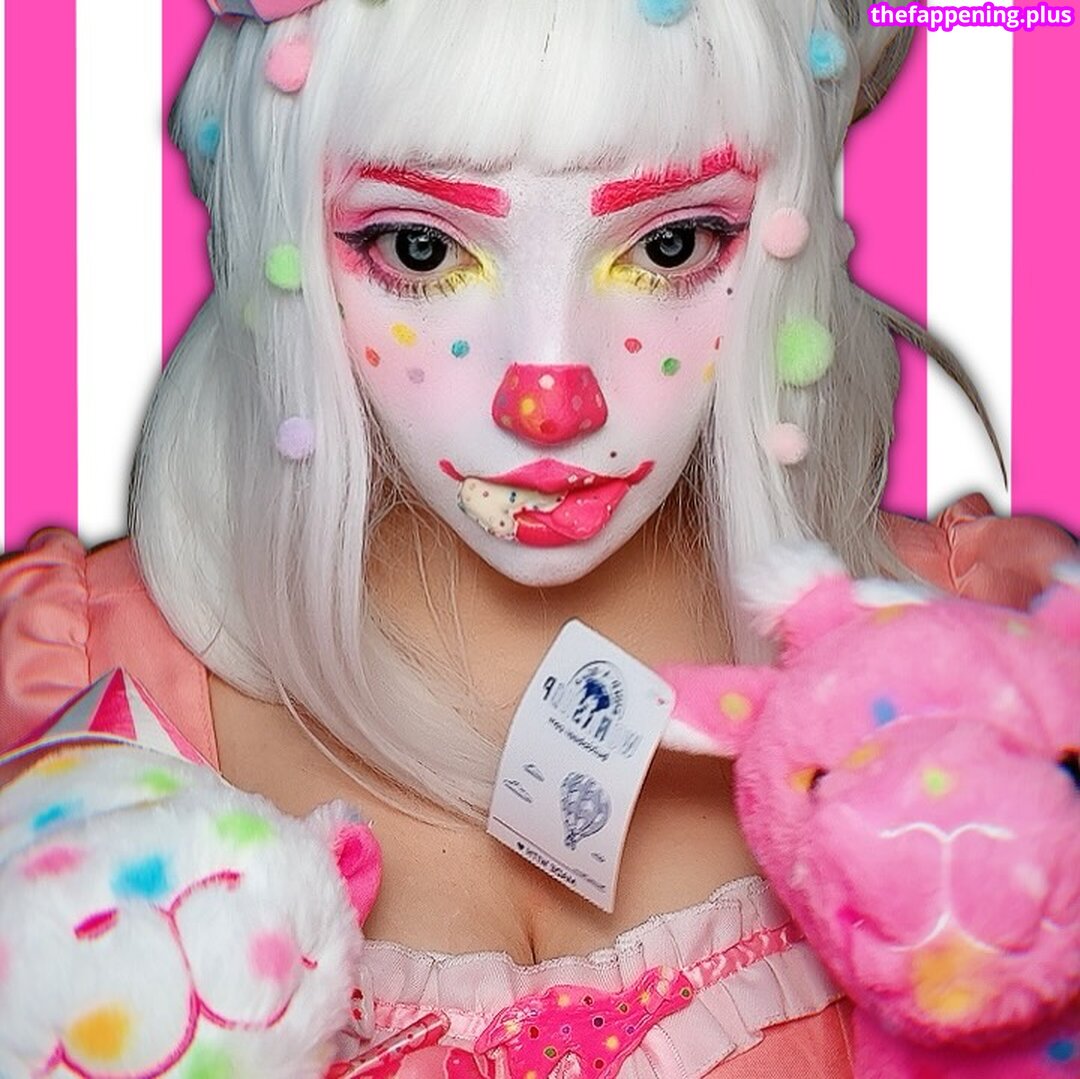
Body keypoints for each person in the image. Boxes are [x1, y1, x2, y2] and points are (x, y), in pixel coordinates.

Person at [1, 1, 1075, 1074]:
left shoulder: (986, 664)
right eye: (421, 248)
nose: (550, 398)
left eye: (669, 245)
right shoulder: (79, 685)